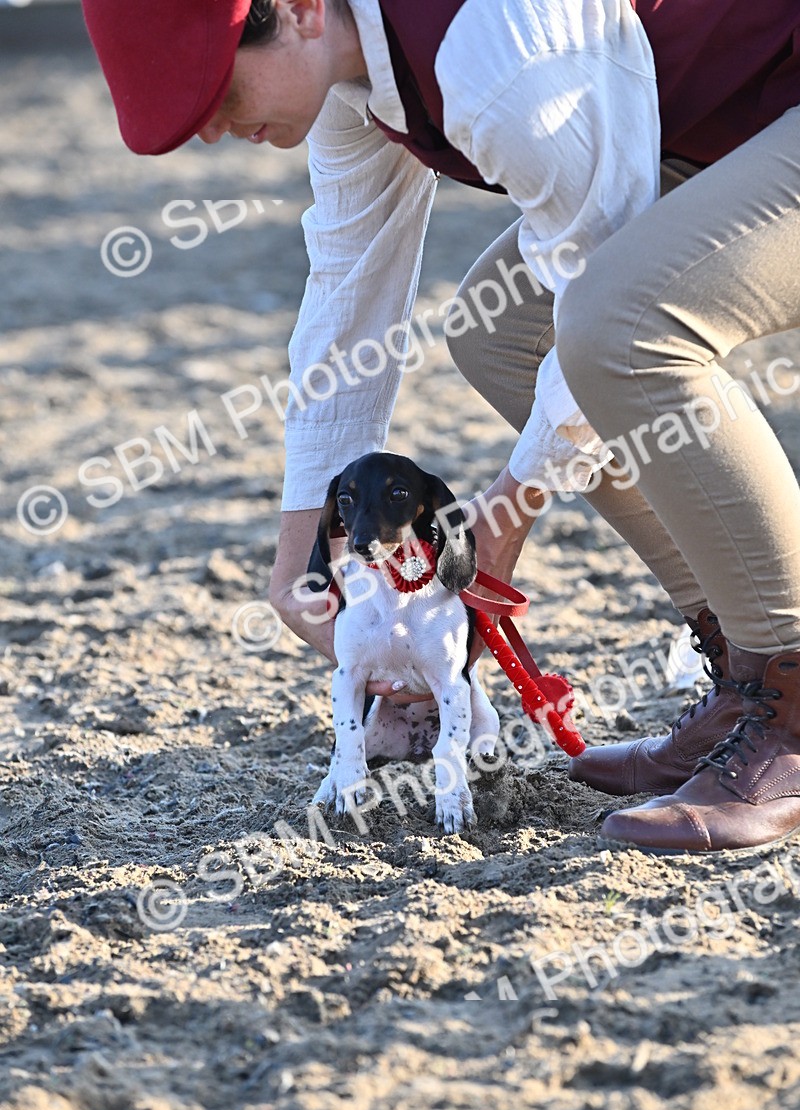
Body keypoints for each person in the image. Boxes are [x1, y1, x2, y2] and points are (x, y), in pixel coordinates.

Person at [81, 0, 800, 852]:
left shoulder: (491, 53)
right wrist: (302, 554)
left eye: (212, 92)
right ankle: (747, 669)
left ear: (303, 10)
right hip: (738, 127)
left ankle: (792, 693)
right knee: (501, 334)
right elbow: (349, 296)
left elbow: (604, 257)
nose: (207, 130)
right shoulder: (351, 77)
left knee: (617, 324)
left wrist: (506, 508)